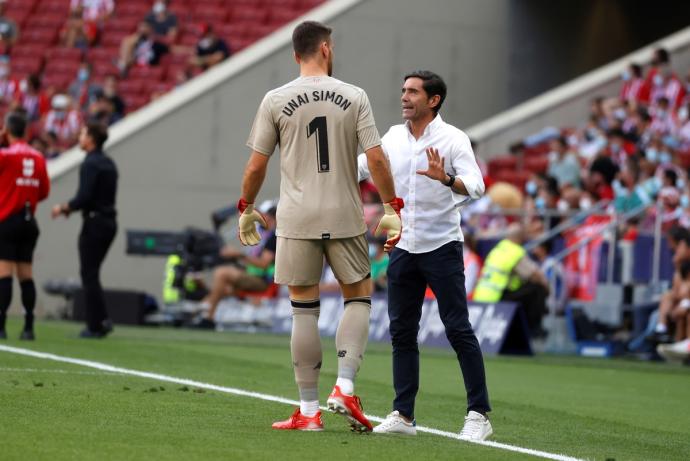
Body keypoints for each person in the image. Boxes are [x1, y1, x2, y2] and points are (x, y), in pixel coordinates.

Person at [238, 20, 401, 432]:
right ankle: (344, 386)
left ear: (296, 54)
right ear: (326, 49)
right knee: (358, 297)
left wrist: (247, 206)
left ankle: (309, 412)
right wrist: (391, 205)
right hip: (344, 213)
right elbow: (377, 159)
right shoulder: (354, 95)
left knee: (303, 310)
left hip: (295, 217)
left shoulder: (276, 98)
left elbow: (257, 164)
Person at [357, 70, 492, 441]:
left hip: (442, 246)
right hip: (402, 245)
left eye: (413, 91)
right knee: (402, 332)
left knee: (457, 328)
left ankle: (479, 414)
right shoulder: (392, 136)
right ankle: (403, 415)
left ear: (433, 100)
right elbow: (363, 166)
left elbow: (477, 186)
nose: (404, 96)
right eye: (403, 90)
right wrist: (325, 168)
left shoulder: (453, 139)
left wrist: (446, 179)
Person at [51, 123, 118, 338]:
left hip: (95, 223)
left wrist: (64, 208)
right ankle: (103, 319)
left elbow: (84, 197)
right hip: (109, 223)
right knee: (93, 273)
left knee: (88, 274)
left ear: (91, 139)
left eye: (82, 134)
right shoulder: (109, 163)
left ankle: (94, 325)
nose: (79, 137)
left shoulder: (90, 163)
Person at [0, 112, 50, 340]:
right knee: (26, 275)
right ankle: (29, 326)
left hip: (7, 220)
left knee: (4, 274)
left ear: (6, 130)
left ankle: (1, 326)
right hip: (30, 222)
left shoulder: (5, 156)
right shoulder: (38, 157)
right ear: (27, 132)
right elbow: (44, 192)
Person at [196, 200, 277, 329]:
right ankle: (199, 315)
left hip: (263, 282)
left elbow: (264, 264)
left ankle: (207, 318)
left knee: (222, 273)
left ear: (270, 217)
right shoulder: (262, 234)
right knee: (221, 288)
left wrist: (239, 255)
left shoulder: (274, 237)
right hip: (252, 276)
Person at [473, 222, 550, 337]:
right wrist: (547, 287)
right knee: (538, 288)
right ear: (520, 237)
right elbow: (536, 276)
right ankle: (534, 328)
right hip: (498, 297)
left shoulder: (498, 249)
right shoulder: (515, 251)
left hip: (481, 296)